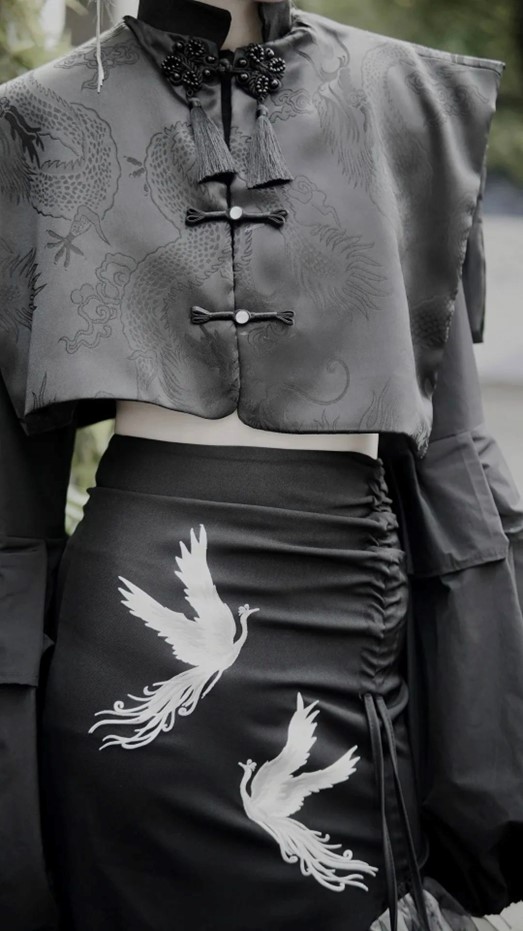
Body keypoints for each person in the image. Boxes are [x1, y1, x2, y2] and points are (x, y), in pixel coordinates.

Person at [0, 1, 522, 929]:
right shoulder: (38, 118)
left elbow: (451, 462)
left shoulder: (412, 100)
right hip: (125, 649)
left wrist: (485, 777)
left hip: (347, 626)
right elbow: (8, 516)